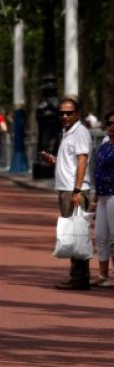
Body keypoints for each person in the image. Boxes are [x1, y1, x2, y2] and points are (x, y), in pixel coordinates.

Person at [40, 96, 92, 290]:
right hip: (66, 189)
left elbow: (82, 161)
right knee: (72, 234)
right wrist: (54, 160)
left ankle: (79, 278)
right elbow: (71, 161)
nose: (64, 116)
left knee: (77, 233)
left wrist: (77, 190)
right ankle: (78, 276)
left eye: (69, 113)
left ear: (77, 114)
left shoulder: (80, 133)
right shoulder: (67, 133)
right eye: (61, 113)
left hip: (74, 190)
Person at [90, 110, 114, 287]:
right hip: (103, 195)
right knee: (100, 236)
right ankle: (104, 275)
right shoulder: (104, 147)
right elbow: (97, 172)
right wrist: (95, 198)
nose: (112, 127)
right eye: (110, 124)